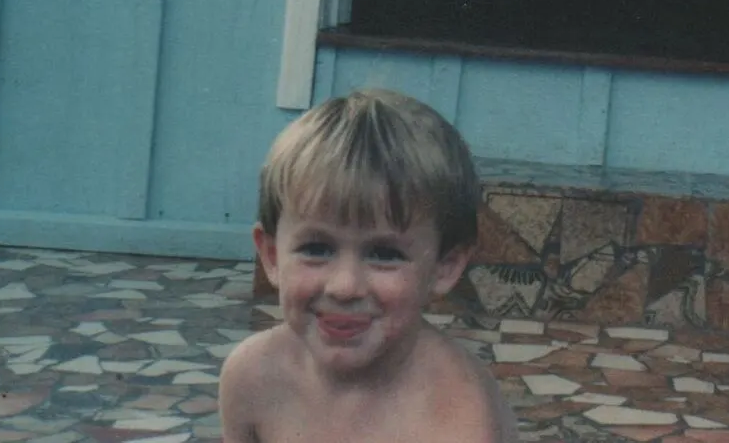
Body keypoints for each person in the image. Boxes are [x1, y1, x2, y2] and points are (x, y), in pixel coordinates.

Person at [219, 88, 516, 442]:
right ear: (271, 256)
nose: (344, 286)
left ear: (445, 266)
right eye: (316, 248)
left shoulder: (457, 415)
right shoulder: (253, 376)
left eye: (384, 254)